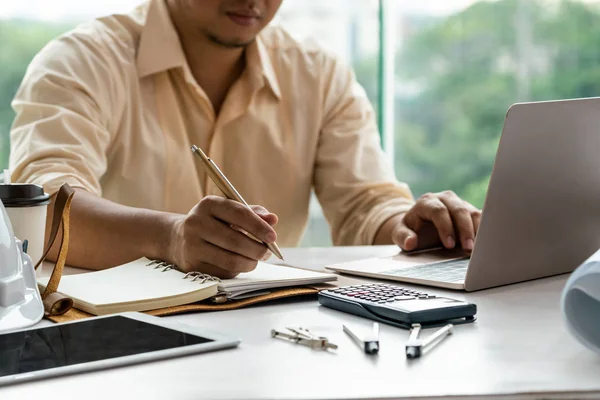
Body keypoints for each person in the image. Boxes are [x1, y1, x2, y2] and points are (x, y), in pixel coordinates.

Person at [9, 0, 481, 278]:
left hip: (271, 338)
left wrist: (413, 229)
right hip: (121, 341)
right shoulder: (82, 61)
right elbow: (40, 210)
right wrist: (171, 239)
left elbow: (364, 206)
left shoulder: (318, 74)